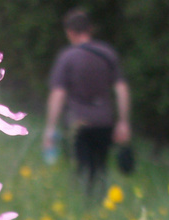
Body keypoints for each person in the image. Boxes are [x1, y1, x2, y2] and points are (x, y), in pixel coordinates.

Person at [43, 8, 131, 195]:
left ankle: (83, 207)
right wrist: (123, 122)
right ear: (90, 29)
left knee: (81, 169)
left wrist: (50, 128)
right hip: (104, 123)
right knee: (100, 169)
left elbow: (58, 94)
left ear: (69, 32)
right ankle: (97, 204)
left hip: (78, 124)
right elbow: (121, 89)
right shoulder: (108, 53)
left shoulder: (67, 57)